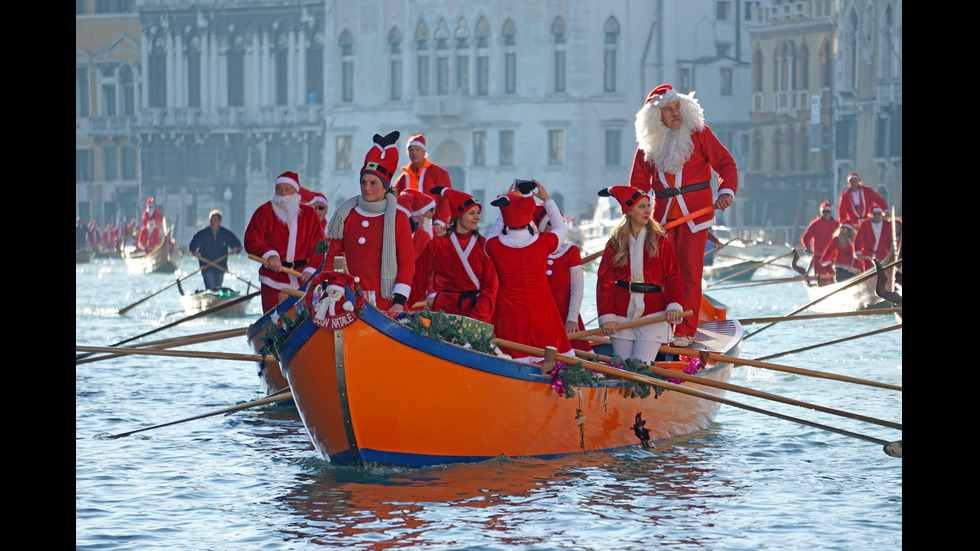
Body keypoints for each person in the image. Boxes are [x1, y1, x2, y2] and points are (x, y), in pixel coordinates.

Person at [629, 83, 737, 346]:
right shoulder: (648, 143)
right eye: (668, 110)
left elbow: (726, 164)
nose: (675, 113)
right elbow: (638, 185)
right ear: (657, 116)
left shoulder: (700, 133)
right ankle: (660, 327)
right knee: (661, 274)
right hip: (663, 218)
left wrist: (725, 193)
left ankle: (685, 330)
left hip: (696, 217)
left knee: (689, 272)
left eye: (677, 107)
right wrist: (634, 213)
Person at [325, 131, 416, 313]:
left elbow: (406, 262)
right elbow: (334, 256)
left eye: (374, 183)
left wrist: (399, 300)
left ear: (385, 186)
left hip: (386, 302)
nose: (367, 188)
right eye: (363, 182)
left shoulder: (398, 217)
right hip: (349, 299)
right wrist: (329, 286)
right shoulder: (346, 214)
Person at [484, 179, 574, 362]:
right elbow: (561, 228)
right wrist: (547, 199)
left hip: (510, 318)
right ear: (529, 216)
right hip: (544, 313)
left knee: (511, 361)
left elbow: (495, 230)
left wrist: (508, 205)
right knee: (553, 360)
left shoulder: (493, 247)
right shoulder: (542, 243)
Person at [595, 186, 685, 362]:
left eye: (648, 205)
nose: (647, 211)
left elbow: (673, 276)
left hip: (654, 314)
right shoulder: (615, 243)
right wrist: (607, 317)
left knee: (640, 368)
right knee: (623, 370)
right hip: (620, 316)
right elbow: (604, 282)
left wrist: (674, 305)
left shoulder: (660, 240)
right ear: (629, 211)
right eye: (641, 206)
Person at [409, 186, 498, 323]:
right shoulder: (437, 244)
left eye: (478, 213)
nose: (477, 218)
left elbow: (491, 288)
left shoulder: (484, 246)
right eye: (472, 213)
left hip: (473, 311)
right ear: (458, 216)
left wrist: (477, 319)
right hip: (442, 312)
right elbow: (418, 280)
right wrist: (400, 305)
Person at [244, 171, 325, 313]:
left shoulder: (309, 215)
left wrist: (310, 270)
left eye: (287, 189)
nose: (283, 194)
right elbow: (251, 240)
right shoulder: (263, 212)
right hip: (272, 279)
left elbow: (318, 248)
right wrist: (269, 255)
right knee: (274, 321)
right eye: (279, 189)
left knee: (303, 317)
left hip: (302, 279)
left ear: (296, 192)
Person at [394, 134, 454, 234]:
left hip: (432, 224)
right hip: (408, 226)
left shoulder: (438, 173)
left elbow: (446, 199)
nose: (414, 153)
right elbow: (396, 201)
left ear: (424, 152)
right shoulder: (403, 178)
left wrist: (440, 221)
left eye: (417, 149)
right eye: (411, 150)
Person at [188, 209, 243, 290]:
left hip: (220, 267)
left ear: (219, 222)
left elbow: (237, 244)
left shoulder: (225, 233)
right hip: (206, 266)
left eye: (215, 220)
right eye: (211, 220)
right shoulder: (203, 233)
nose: (212, 222)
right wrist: (194, 251)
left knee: (218, 288)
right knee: (211, 287)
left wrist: (236, 249)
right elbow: (193, 245)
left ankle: (218, 301)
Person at [800, 201, 840, 281]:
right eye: (824, 211)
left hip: (833, 258)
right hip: (819, 257)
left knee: (835, 278)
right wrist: (807, 247)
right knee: (822, 279)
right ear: (821, 212)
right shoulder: (815, 224)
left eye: (828, 211)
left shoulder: (837, 225)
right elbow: (805, 237)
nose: (826, 213)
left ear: (831, 212)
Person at [396, 188, 437, 259]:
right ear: (422, 212)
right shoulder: (423, 235)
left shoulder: (431, 232)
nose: (434, 212)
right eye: (432, 209)